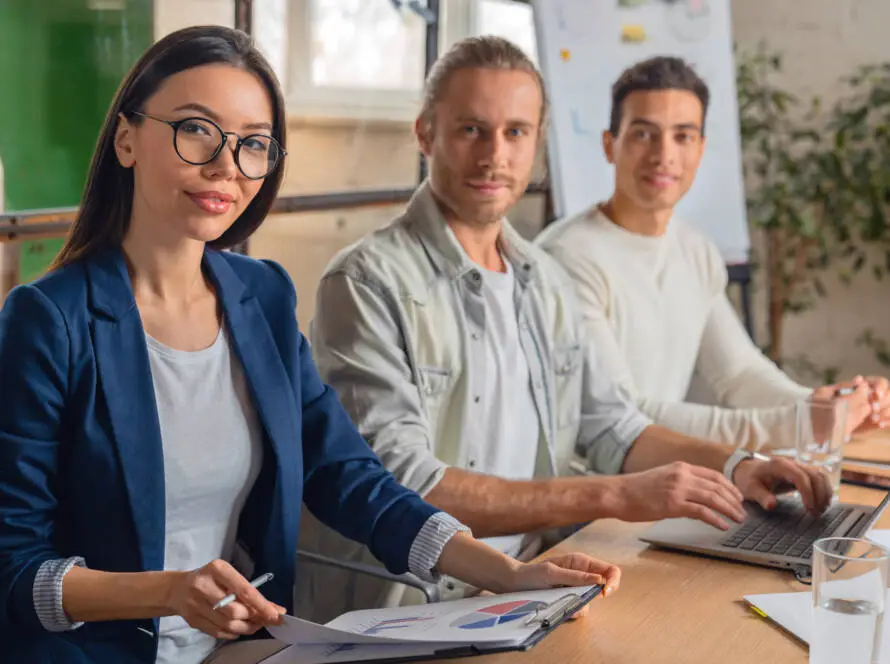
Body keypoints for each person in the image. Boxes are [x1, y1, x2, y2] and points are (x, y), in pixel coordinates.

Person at [0, 27, 623, 664]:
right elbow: (12, 567)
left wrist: (509, 577)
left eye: (253, 144)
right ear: (127, 138)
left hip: (236, 649)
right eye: (196, 130)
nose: (225, 165)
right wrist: (166, 592)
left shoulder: (261, 296)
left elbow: (348, 476)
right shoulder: (48, 319)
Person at [300, 36, 833, 624]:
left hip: (537, 581)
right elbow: (406, 484)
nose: (494, 155)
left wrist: (738, 465)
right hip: (415, 602)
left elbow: (611, 422)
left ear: (538, 144)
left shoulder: (543, 279)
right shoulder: (365, 280)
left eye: (516, 132)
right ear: (425, 133)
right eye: (471, 129)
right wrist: (614, 495)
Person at [537, 55, 890, 450]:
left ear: (701, 150)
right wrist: (802, 425)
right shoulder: (566, 257)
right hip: (590, 495)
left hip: (661, 482)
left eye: (682, 136)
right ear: (609, 145)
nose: (663, 155)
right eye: (643, 134)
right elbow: (622, 415)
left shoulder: (695, 249)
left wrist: (824, 406)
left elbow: (738, 373)